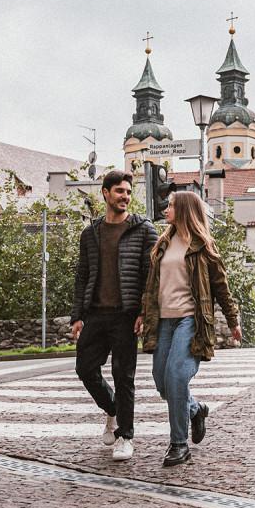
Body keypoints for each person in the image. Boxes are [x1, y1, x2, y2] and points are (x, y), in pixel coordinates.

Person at [141, 191, 241, 467]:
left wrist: (232, 321)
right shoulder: (163, 243)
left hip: (190, 320)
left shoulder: (203, 246)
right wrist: (143, 314)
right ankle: (196, 410)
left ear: (184, 209)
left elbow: (221, 287)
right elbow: (152, 287)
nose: (166, 209)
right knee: (162, 383)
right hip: (162, 321)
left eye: (171, 205)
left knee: (176, 376)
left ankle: (178, 444)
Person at [71, 170, 158, 462]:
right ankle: (112, 410)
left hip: (126, 315)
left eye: (129, 192)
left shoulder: (144, 230)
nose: (125, 197)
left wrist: (145, 313)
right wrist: (76, 315)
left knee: (124, 376)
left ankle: (125, 437)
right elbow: (82, 276)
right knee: (85, 368)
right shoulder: (90, 234)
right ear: (105, 193)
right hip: (95, 314)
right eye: (120, 191)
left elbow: (151, 277)